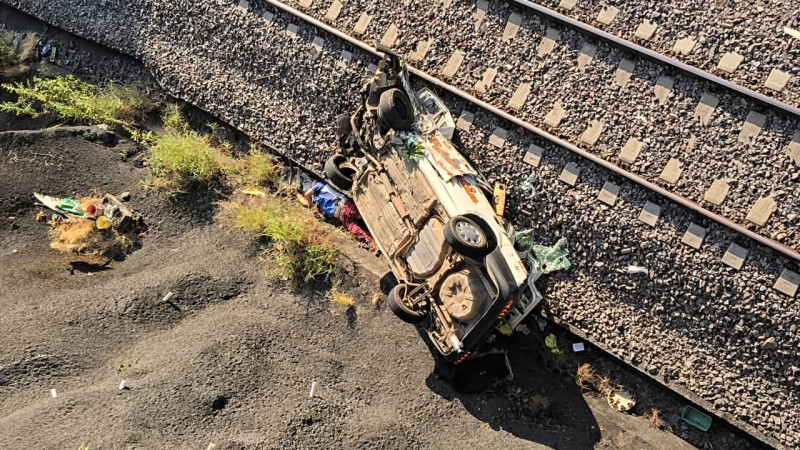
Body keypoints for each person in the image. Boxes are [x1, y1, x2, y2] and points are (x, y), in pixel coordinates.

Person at [297, 179, 376, 249]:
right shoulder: (316, 198)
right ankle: (375, 245)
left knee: (368, 217)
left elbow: (307, 194)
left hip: (345, 207)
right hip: (343, 216)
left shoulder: (320, 185)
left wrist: (308, 200)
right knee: (357, 231)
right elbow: (306, 203)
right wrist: (297, 194)